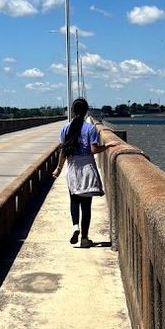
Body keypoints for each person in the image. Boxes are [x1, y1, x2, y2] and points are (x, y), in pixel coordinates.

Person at [52, 97, 115, 248]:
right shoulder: (90, 128)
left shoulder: (65, 129)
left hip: (72, 168)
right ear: (86, 111)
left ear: (73, 111)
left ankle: (75, 226)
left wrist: (58, 168)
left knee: (74, 199)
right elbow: (94, 150)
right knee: (86, 205)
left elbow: (63, 151)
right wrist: (107, 146)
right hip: (87, 168)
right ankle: (85, 238)